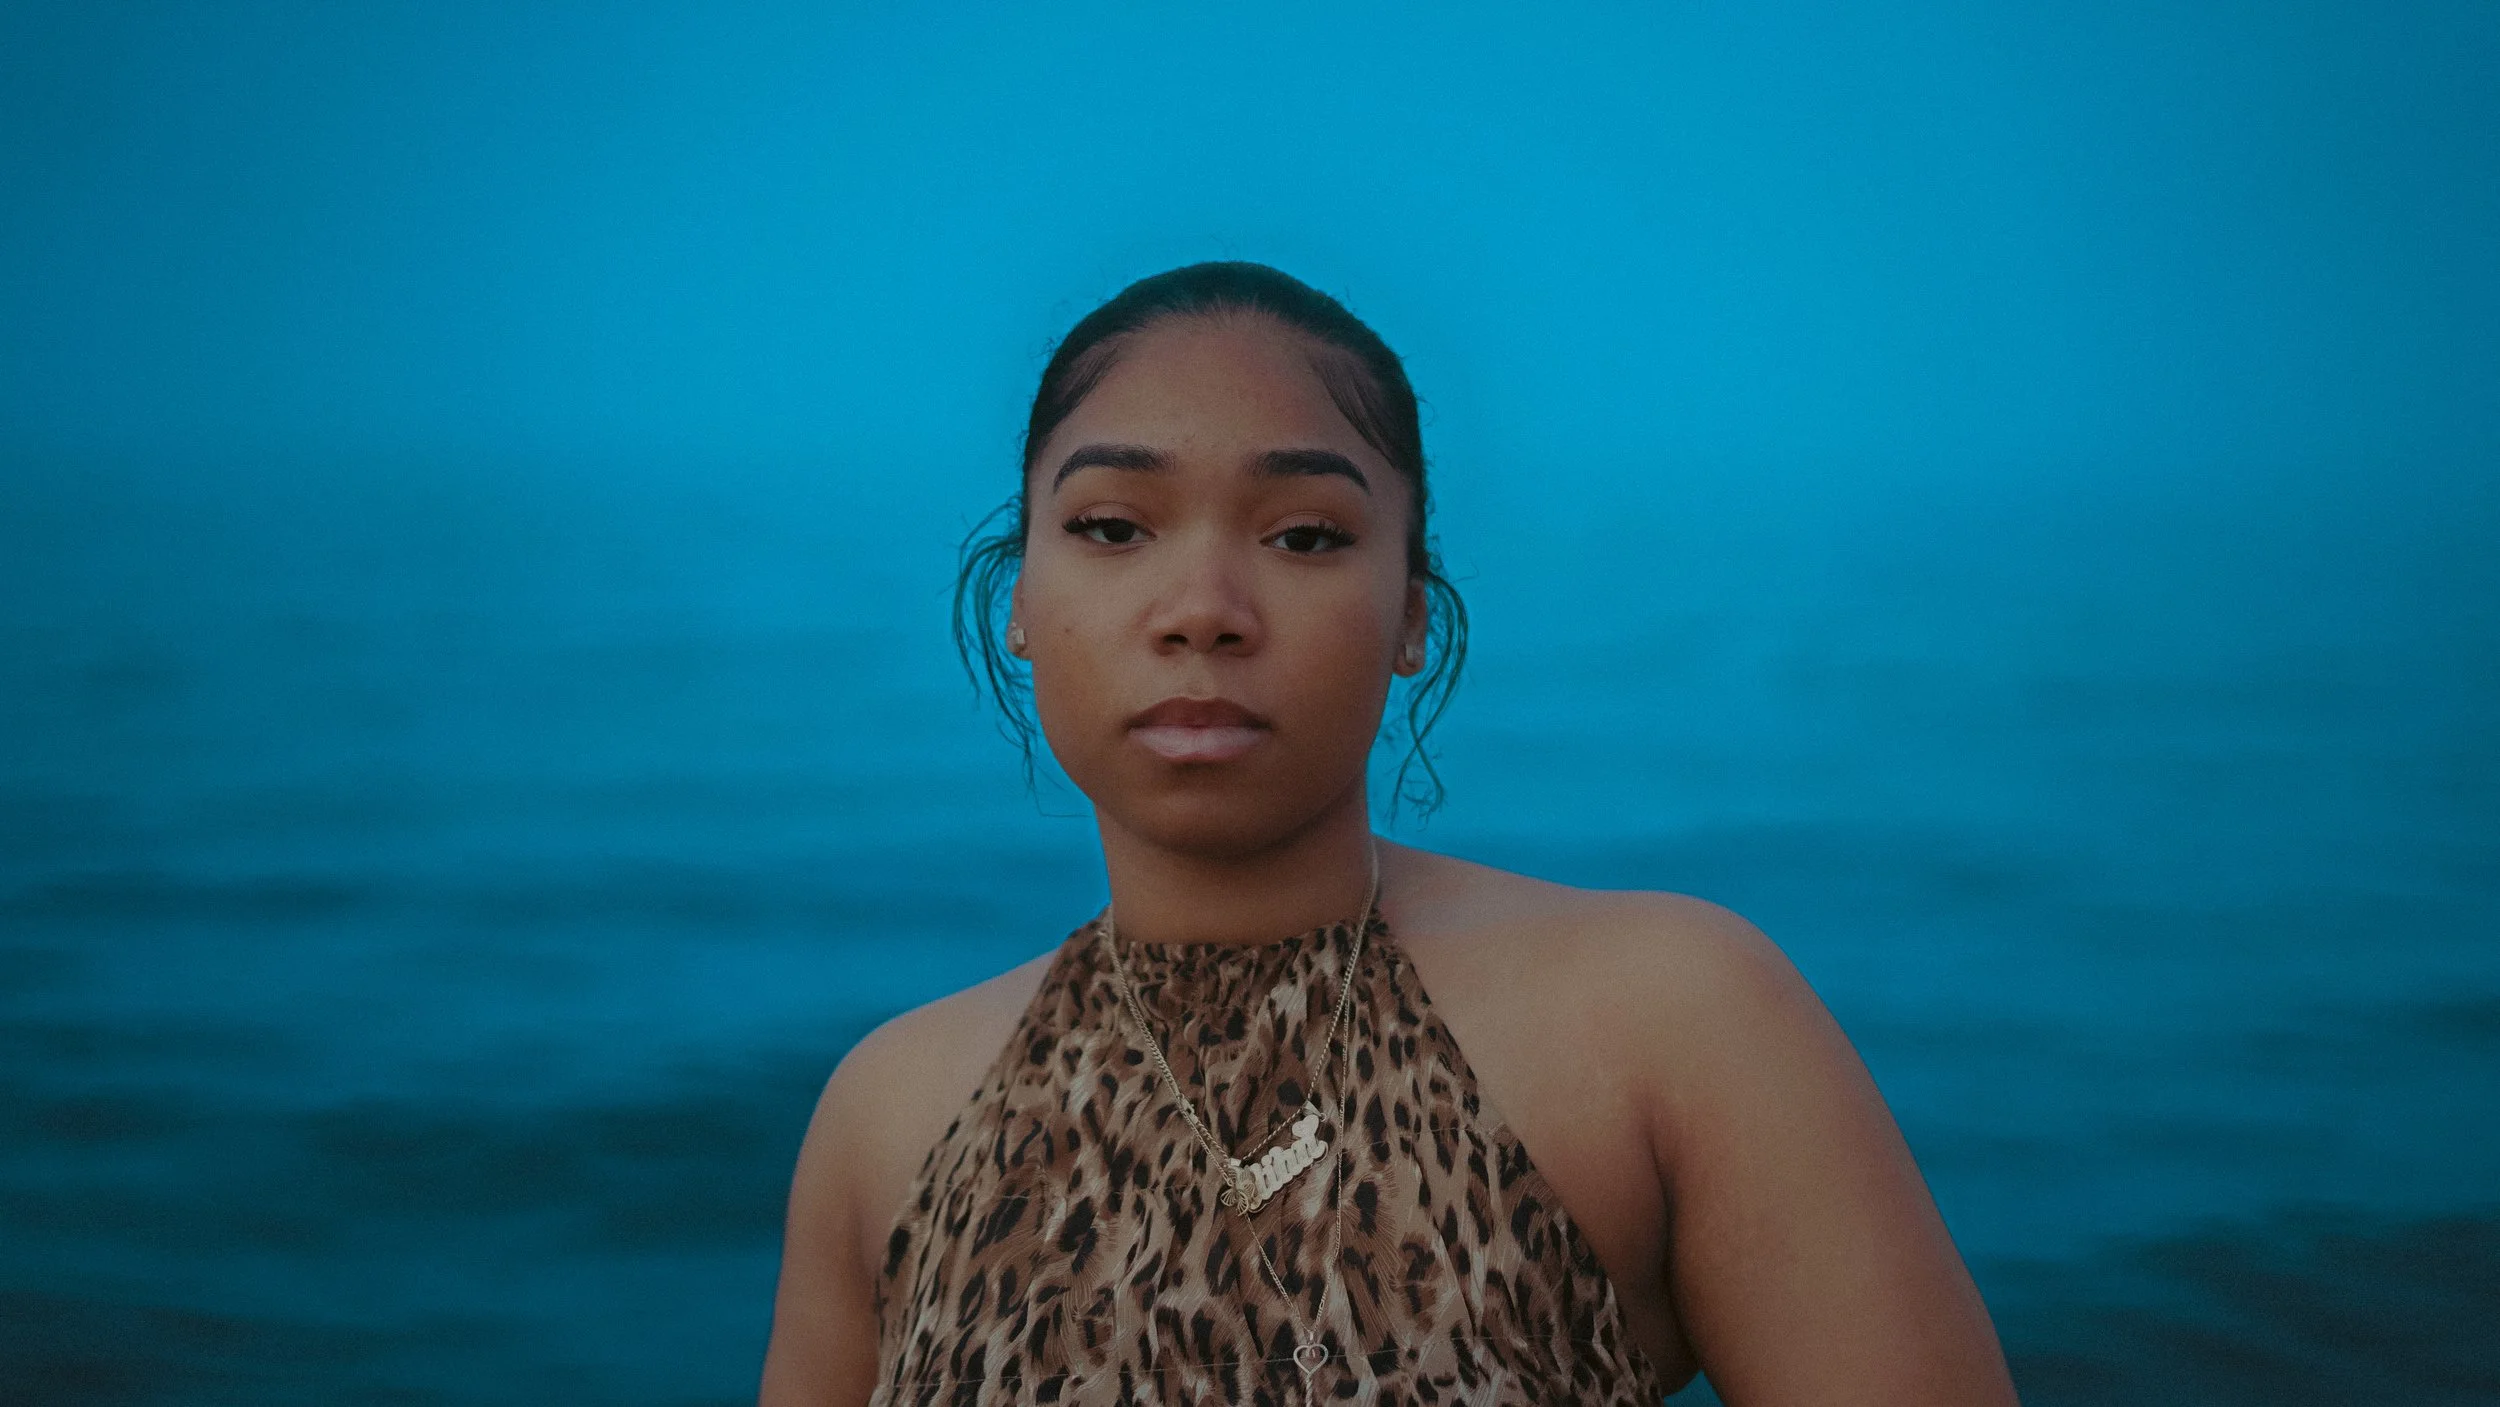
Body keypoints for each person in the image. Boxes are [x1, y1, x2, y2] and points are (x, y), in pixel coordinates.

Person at [757, 262, 2018, 1406]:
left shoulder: (1666, 1020)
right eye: (1112, 528)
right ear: (1021, 597)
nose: (1203, 610)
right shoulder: (890, 1115)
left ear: (1411, 612)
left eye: (1305, 535)